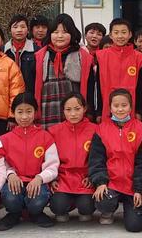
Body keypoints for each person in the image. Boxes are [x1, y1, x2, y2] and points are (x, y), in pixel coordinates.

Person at [89, 88, 142, 232]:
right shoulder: (101, 129)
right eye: (116, 106)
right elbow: (97, 159)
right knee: (103, 200)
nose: (120, 109)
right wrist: (101, 182)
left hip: (132, 186)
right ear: (110, 108)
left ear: (130, 107)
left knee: (135, 226)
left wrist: (139, 190)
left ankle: (133, 209)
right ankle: (108, 211)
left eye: (124, 105)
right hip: (112, 183)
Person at [0, 92, 58, 230]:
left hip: (37, 181)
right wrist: (10, 174)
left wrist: (40, 178)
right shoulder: (4, 139)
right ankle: (14, 214)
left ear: (35, 112)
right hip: (14, 181)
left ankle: (36, 213)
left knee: (37, 201)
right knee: (11, 198)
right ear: (13, 113)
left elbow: (53, 166)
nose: (24, 116)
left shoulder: (45, 137)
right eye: (20, 112)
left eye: (29, 111)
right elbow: (1, 164)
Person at [33, 14, 93, 128]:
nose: (59, 36)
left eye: (65, 32)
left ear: (72, 34)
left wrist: (89, 112)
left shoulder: (83, 57)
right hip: (48, 110)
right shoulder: (39, 56)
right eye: (55, 32)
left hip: (73, 112)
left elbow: (90, 87)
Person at [49, 92, 97, 223]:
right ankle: (65, 205)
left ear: (84, 109)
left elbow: (99, 159)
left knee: (86, 208)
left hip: (85, 179)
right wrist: (52, 179)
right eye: (68, 110)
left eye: (77, 109)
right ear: (63, 111)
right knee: (58, 207)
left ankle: (82, 205)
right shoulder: (54, 131)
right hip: (63, 179)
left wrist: (92, 177)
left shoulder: (95, 130)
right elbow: (47, 160)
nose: (73, 114)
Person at [92, 19, 142, 122]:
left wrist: (139, 111)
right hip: (107, 108)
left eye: (124, 32)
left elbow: (141, 87)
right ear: (111, 35)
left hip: (131, 108)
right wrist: (99, 111)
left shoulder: (139, 58)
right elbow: (98, 86)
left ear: (130, 34)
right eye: (116, 32)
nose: (120, 36)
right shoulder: (102, 56)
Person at [4, 14, 38, 96]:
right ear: (10, 30)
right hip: (7, 94)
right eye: (15, 27)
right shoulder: (3, 51)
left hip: (30, 95)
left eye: (23, 27)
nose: (19, 30)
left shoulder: (37, 51)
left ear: (28, 30)